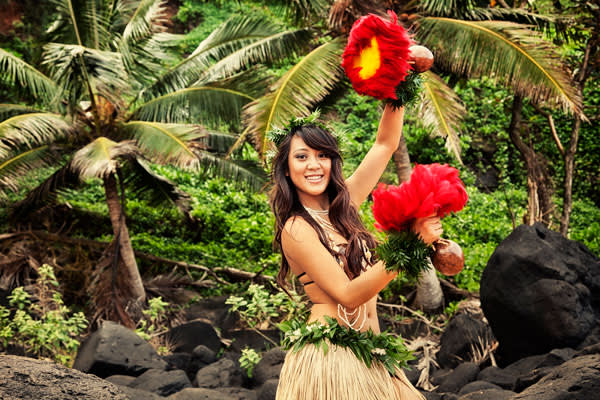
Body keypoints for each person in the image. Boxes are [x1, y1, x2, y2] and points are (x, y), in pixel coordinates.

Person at [269, 104, 442, 400]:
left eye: (322, 155)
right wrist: (411, 244)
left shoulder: (344, 207)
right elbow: (348, 294)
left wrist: (399, 83)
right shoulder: (296, 228)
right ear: (286, 167)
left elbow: (385, 144)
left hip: (371, 352)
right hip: (330, 360)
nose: (314, 165)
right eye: (302, 157)